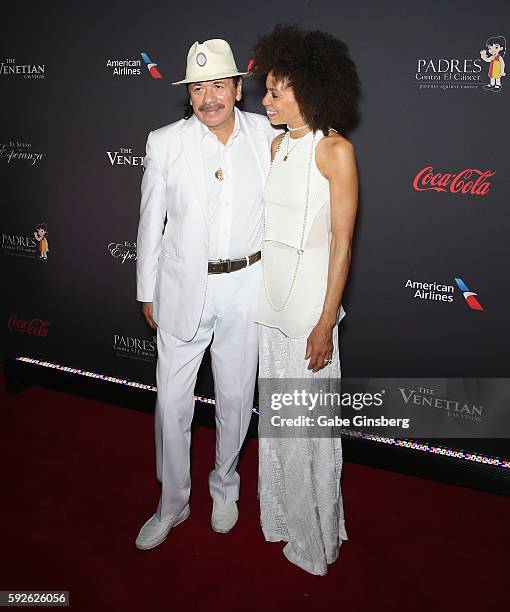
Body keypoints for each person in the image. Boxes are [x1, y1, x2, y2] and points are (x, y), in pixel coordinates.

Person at [135, 38, 276, 550]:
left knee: (236, 399)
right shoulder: (165, 142)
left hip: (246, 286)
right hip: (180, 288)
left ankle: (225, 485)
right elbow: (151, 222)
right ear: (188, 95)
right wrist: (146, 288)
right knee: (172, 403)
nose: (208, 97)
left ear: (239, 89)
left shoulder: (268, 136)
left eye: (219, 84)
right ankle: (172, 502)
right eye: (198, 88)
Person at [252, 24, 360, 575]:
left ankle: (315, 537)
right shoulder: (276, 144)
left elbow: (342, 245)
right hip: (269, 308)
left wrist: (325, 323)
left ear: (310, 90)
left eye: (276, 91)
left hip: (308, 314)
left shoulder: (335, 151)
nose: (265, 100)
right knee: (277, 425)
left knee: (308, 429)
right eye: (267, 91)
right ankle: (282, 521)